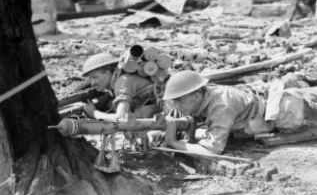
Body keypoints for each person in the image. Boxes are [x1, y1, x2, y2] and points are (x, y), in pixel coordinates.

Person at [162, 70, 317, 155]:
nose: (175, 106)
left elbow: (212, 149)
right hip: (268, 107)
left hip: (286, 112)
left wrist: (174, 143)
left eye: (179, 101)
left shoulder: (220, 105)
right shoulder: (203, 97)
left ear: (196, 96)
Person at [82, 53, 159, 121]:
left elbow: (121, 119)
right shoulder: (122, 78)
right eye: (91, 78)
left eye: (95, 77)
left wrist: (94, 113)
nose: (92, 83)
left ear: (108, 73)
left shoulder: (121, 82)